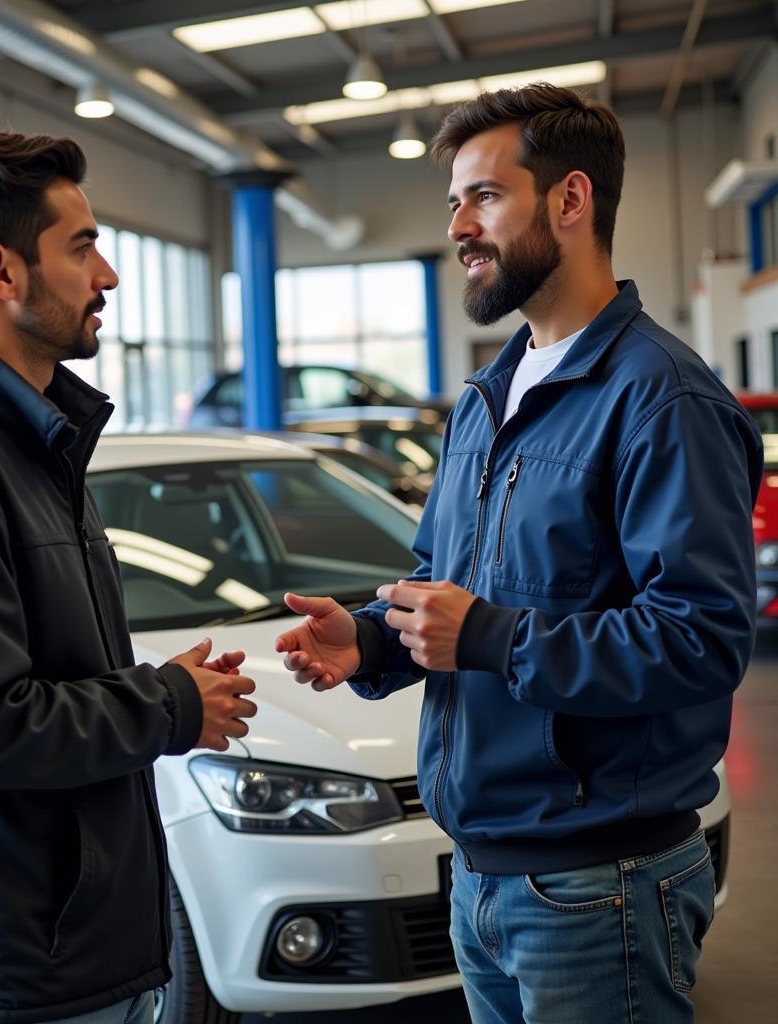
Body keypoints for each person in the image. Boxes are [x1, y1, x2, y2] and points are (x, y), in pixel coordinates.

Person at [275, 85, 762, 1024]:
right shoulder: (488, 398)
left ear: (571, 201)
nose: (459, 225)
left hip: (600, 886)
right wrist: (371, 642)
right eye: (455, 201)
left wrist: (492, 636)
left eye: (484, 197)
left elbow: (700, 640)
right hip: (483, 880)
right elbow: (448, 592)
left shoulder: (661, 401)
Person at [0, 127, 257, 1024]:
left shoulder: (30, 442)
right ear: (2, 271)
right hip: (12, 976)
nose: (107, 276)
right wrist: (171, 704)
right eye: (83, 247)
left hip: (77, 959)